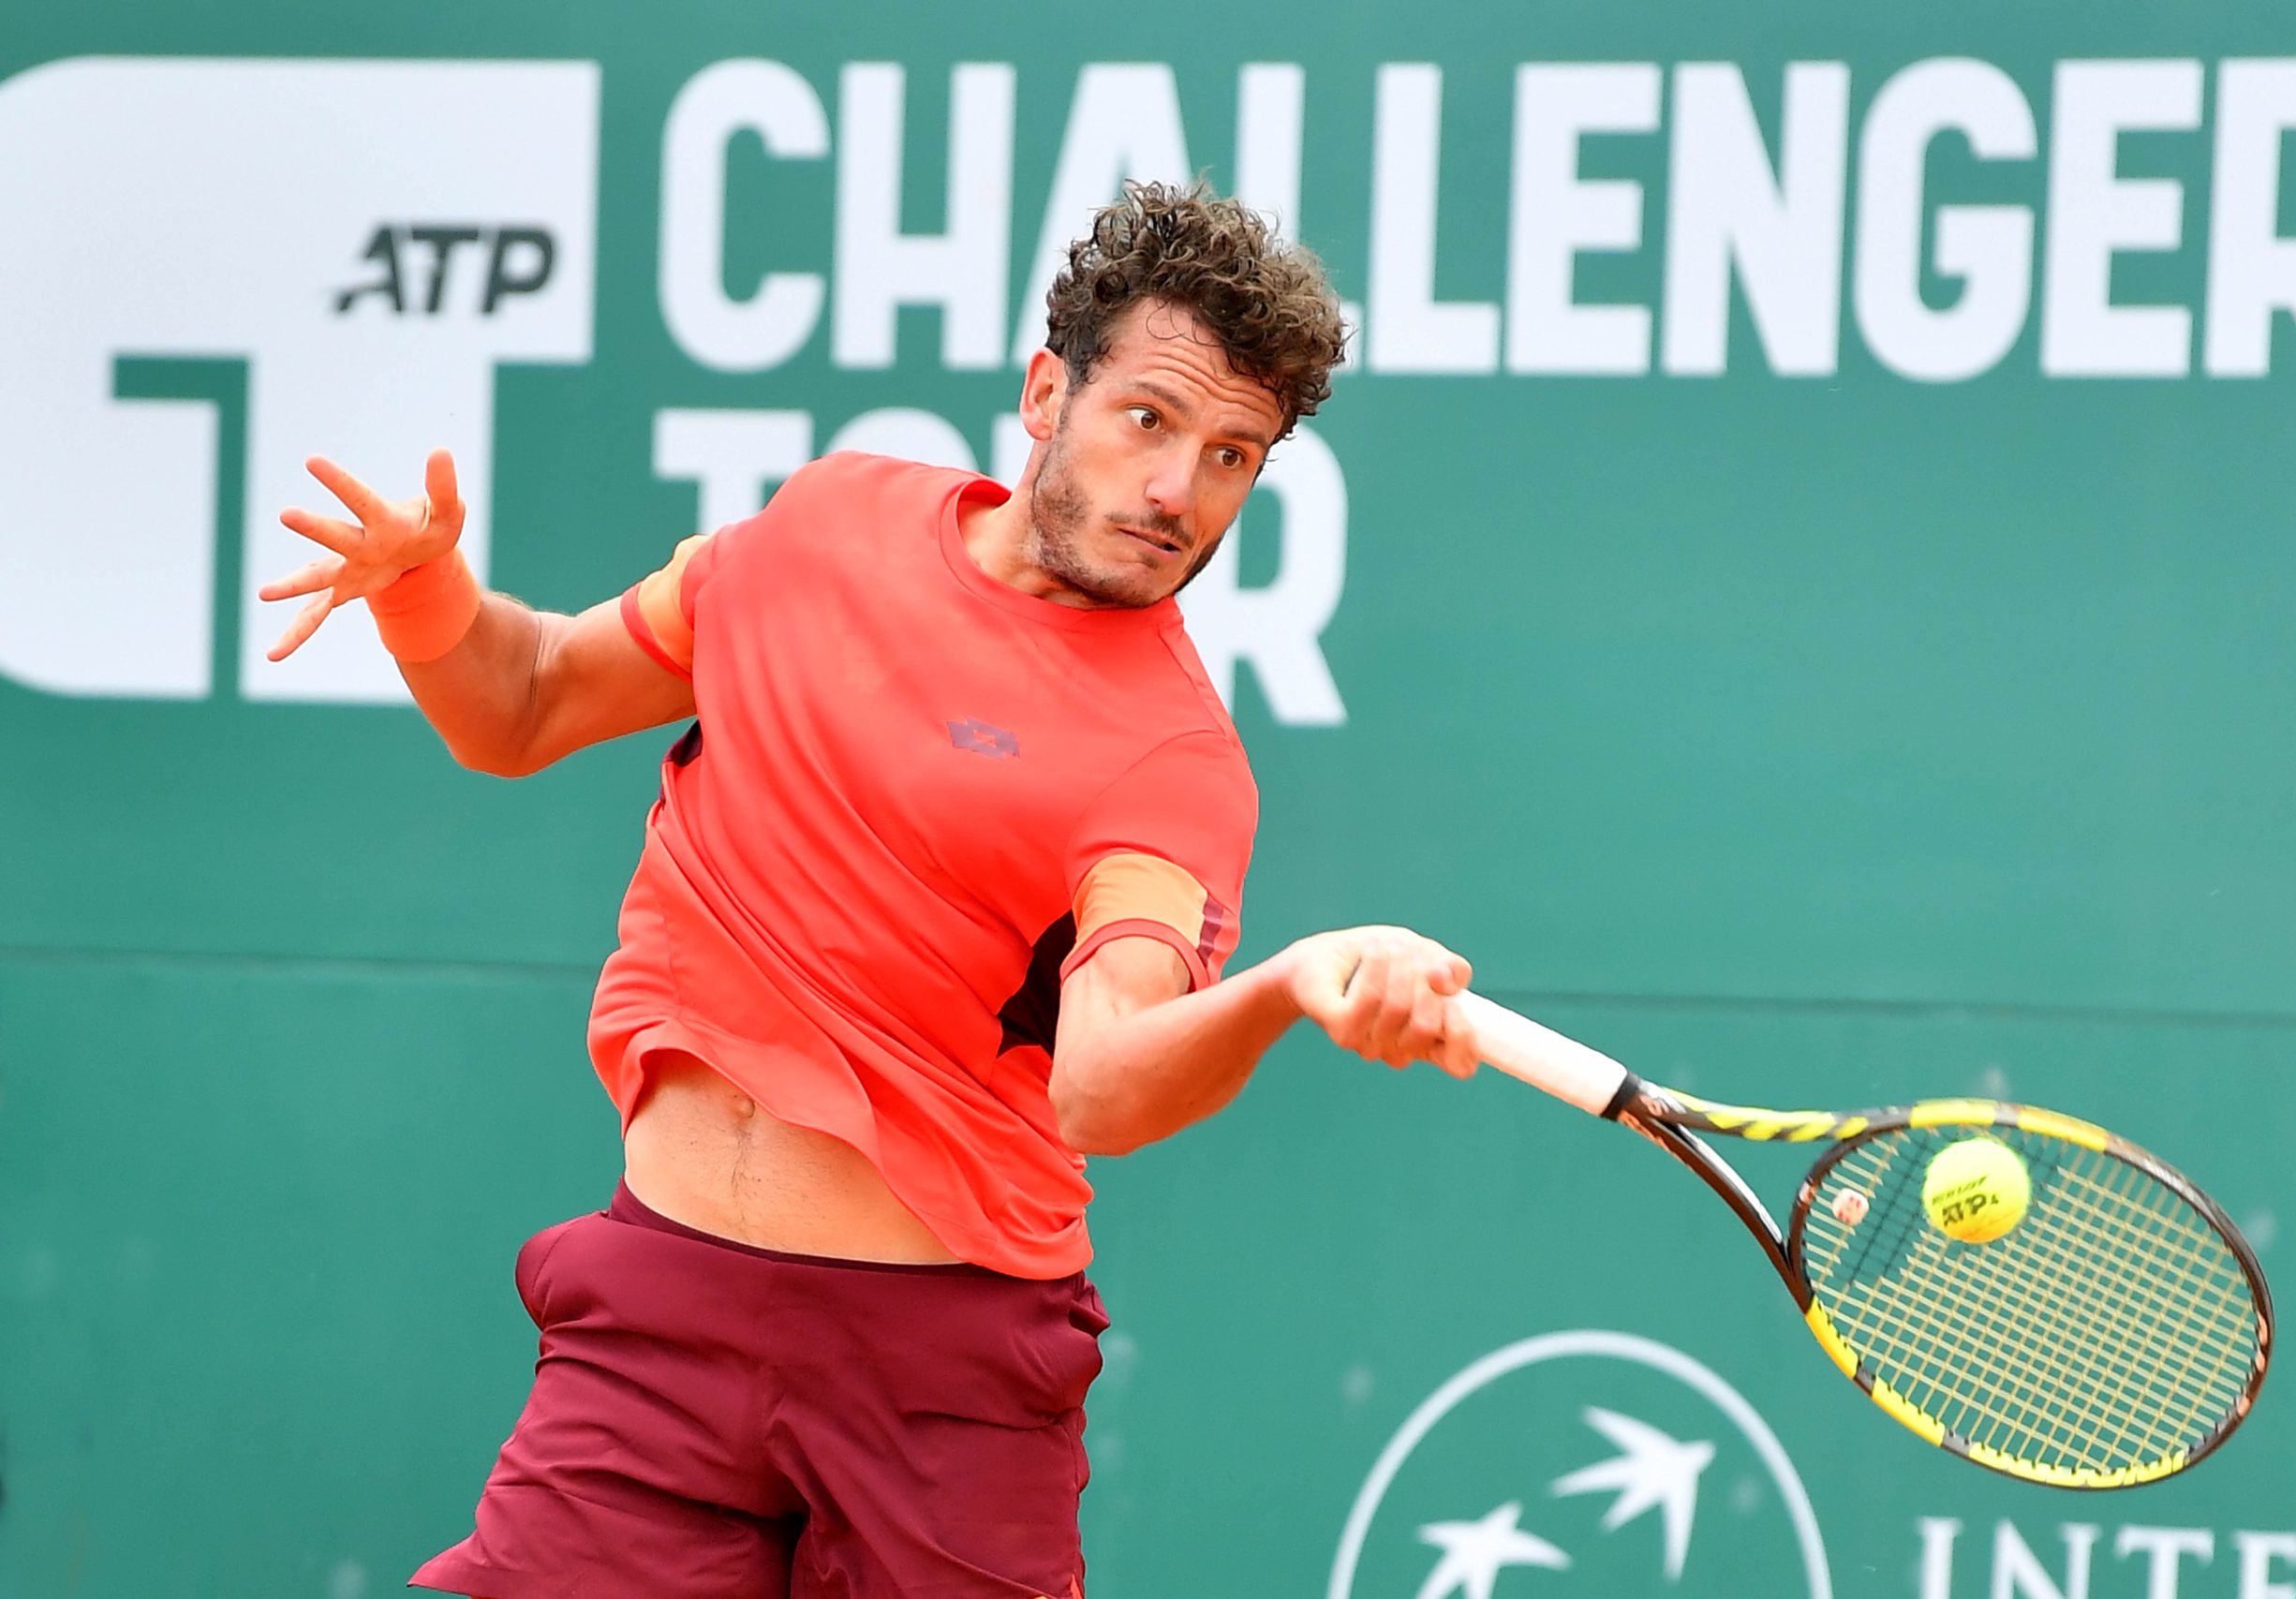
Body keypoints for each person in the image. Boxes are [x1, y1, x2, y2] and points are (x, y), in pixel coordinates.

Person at [263, 181, 1481, 1599]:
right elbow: (523, 704)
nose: (1177, 494)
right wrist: (426, 594)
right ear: (1046, 392)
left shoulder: (1172, 758)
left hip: (942, 1384)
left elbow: (1101, 1087)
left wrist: (1280, 988)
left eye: (1231, 457)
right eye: (1148, 420)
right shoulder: (820, 529)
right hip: (658, 1316)